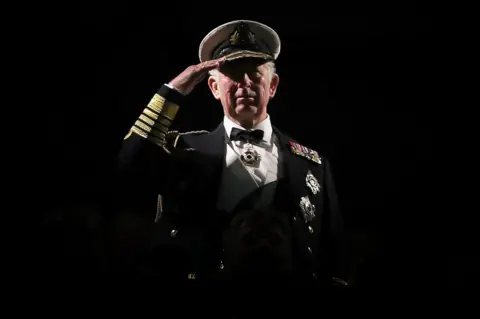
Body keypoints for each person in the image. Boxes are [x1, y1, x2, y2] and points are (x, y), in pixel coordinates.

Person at [116, 19, 351, 288]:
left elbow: (334, 261)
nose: (246, 83)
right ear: (214, 88)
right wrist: (173, 92)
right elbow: (130, 166)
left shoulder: (312, 164)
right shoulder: (182, 150)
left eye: (255, 74)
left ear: (272, 86)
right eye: (235, 75)